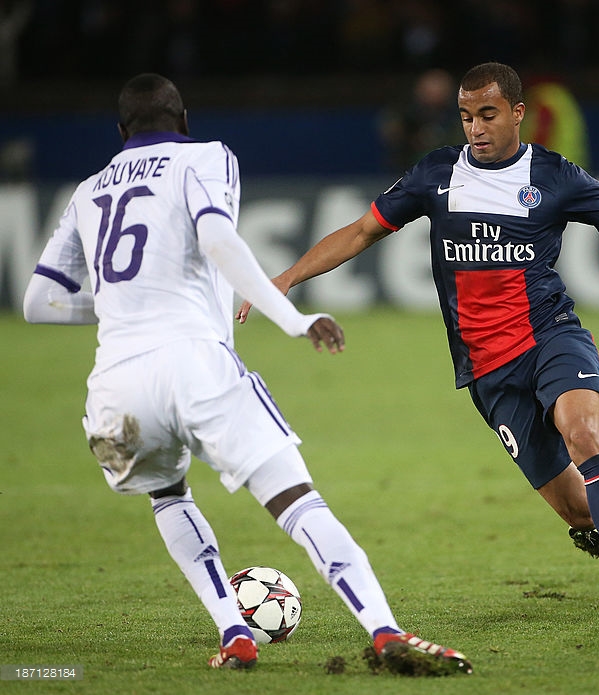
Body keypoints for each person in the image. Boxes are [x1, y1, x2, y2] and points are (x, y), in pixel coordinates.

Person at [238, 62, 599, 629]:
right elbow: (362, 231)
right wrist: (287, 278)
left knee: (582, 430)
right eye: (465, 117)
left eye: (487, 115)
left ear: (517, 113)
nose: (475, 128)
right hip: (488, 371)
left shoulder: (555, 177)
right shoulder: (435, 176)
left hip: (551, 337)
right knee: (579, 511)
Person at [22, 73, 471, 675]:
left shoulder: (87, 191)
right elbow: (217, 238)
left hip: (115, 385)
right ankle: (384, 631)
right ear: (183, 119)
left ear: (120, 131)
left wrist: (122, 306)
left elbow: (38, 303)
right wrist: (291, 317)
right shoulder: (207, 158)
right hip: (193, 361)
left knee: (167, 494)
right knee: (297, 501)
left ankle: (234, 633)